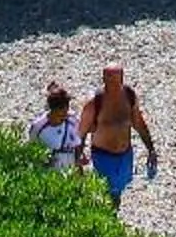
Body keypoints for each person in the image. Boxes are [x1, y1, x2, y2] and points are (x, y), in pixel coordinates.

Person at [78, 61, 157, 211]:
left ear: (122, 78)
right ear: (103, 79)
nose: (112, 82)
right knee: (108, 192)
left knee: (118, 190)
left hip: (125, 155)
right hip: (103, 155)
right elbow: (81, 132)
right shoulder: (95, 103)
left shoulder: (129, 96)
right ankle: (108, 221)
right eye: (108, 78)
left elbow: (138, 123)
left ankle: (111, 217)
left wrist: (151, 149)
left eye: (115, 78)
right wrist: (78, 159)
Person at [29, 83, 85, 176]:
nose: (64, 118)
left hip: (69, 171)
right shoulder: (38, 127)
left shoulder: (73, 121)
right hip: (48, 174)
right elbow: (32, 150)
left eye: (66, 113)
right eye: (60, 115)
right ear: (52, 110)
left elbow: (77, 145)